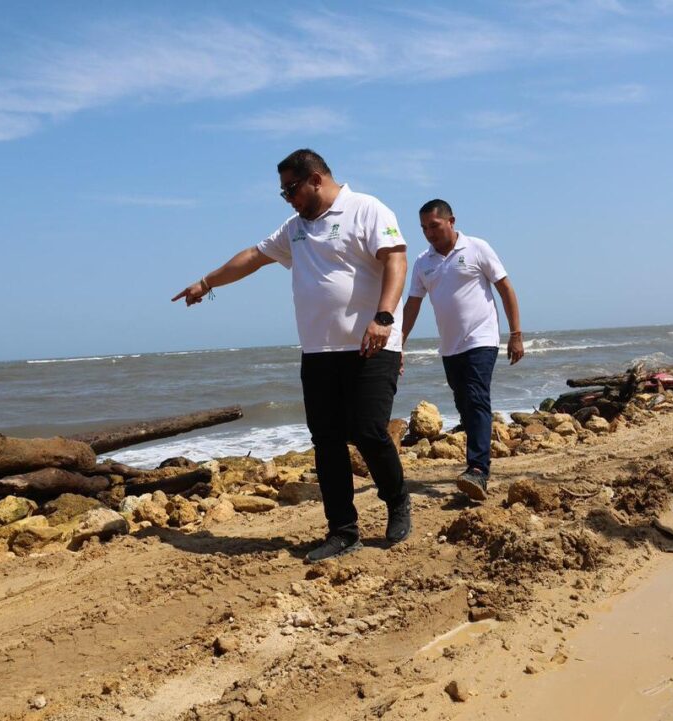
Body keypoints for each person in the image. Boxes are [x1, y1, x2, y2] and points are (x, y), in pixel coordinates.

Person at [172, 149, 410, 561]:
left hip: (371, 343)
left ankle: (397, 500)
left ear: (316, 179)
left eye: (291, 189)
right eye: (283, 193)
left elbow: (396, 260)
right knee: (327, 441)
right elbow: (253, 257)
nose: (288, 199)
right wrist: (207, 282)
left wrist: (384, 317)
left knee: (369, 431)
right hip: (318, 352)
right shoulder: (294, 229)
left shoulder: (366, 209)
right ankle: (342, 530)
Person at [401, 199, 524, 501]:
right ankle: (478, 453)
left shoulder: (477, 248)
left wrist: (516, 334)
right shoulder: (423, 262)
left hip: (481, 339)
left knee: (475, 396)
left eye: (435, 226)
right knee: (464, 403)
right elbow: (413, 305)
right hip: (450, 347)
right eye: (424, 228)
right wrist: (397, 344)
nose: (429, 233)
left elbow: (505, 287)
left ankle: (479, 471)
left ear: (451, 221)